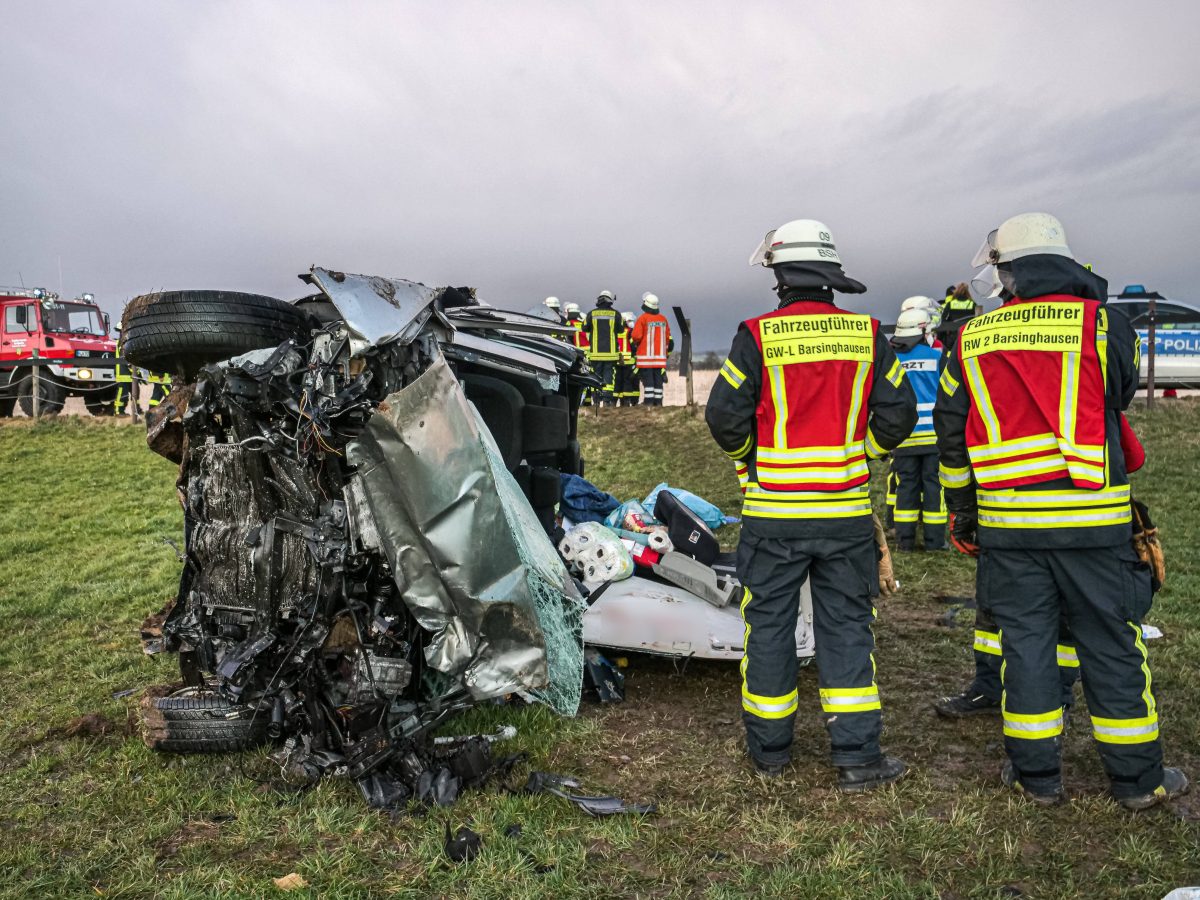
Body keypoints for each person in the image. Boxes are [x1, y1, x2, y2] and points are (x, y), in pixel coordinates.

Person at [935, 211, 1187, 809]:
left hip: (1009, 527)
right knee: (1110, 643)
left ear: (1010, 272)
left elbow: (952, 430)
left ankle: (1036, 778)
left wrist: (962, 511)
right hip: (1094, 525)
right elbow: (1118, 395)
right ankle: (1137, 783)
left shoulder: (973, 336)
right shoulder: (1104, 323)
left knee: (1025, 647)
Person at [706, 218, 917, 790]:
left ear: (779, 276)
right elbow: (899, 415)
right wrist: (863, 450)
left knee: (769, 625)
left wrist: (754, 460)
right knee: (847, 628)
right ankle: (857, 757)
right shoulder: (868, 334)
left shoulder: (757, 336)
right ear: (829, 276)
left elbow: (723, 418)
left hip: (774, 514)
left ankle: (769, 752)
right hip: (845, 513)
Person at [888, 307, 946, 551]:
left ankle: (905, 541)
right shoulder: (937, 357)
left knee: (906, 487)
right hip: (933, 437)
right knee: (934, 486)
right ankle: (935, 541)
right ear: (925, 331)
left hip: (904, 437)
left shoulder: (895, 361)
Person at [630, 293, 671, 406]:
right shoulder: (663, 319)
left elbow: (636, 336)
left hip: (645, 358)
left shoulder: (642, 318)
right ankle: (658, 402)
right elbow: (668, 338)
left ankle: (648, 402)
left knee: (648, 382)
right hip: (660, 358)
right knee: (658, 381)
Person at [584, 291, 621, 406]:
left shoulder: (591, 314)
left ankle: (596, 401)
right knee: (609, 377)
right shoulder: (616, 314)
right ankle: (607, 401)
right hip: (611, 354)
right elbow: (621, 329)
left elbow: (584, 327)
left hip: (595, 354)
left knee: (595, 376)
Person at [614, 310, 640, 406]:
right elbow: (633, 346)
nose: (631, 323)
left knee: (618, 382)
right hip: (628, 361)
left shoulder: (615, 331)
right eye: (629, 321)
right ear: (624, 321)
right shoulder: (630, 332)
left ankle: (614, 402)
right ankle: (626, 402)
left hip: (617, 361)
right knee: (627, 382)